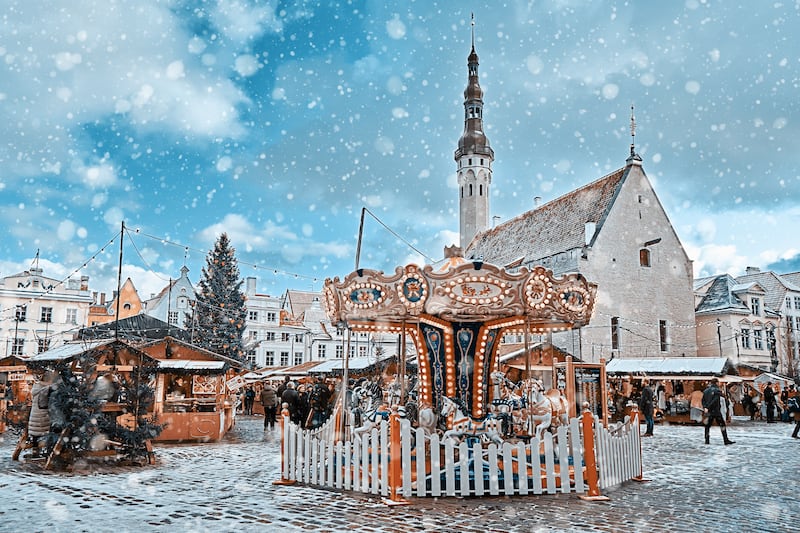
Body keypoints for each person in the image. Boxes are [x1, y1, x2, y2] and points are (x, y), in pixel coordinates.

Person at [702, 378, 734, 445]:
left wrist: (705, 407)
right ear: (716, 383)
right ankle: (725, 440)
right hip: (716, 411)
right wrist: (709, 407)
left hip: (709, 412)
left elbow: (703, 400)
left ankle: (707, 440)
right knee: (722, 425)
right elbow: (715, 400)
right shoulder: (717, 390)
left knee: (707, 426)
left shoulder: (705, 391)